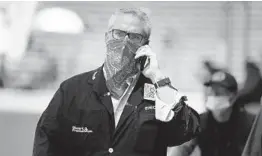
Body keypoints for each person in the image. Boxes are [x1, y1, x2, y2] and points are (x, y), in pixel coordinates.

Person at [32, 8, 200, 156]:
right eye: (118, 33)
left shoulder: (156, 93)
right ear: (107, 37)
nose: (125, 41)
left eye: (135, 37)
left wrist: (157, 77)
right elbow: (46, 143)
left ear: (145, 46)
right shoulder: (72, 90)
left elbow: (188, 130)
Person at [173, 71, 255, 156]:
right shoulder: (198, 122)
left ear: (233, 97)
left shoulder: (249, 123)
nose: (213, 95)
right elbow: (181, 149)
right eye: (211, 92)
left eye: (219, 92)